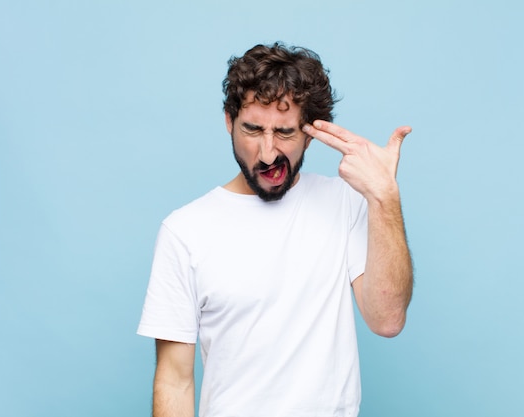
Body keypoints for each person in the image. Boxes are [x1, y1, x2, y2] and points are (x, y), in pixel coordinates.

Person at [137, 42, 413, 417]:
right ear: (229, 121)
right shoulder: (184, 231)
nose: (267, 153)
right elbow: (174, 379)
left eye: (284, 132)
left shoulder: (345, 203)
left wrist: (385, 197)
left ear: (312, 133)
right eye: (252, 129)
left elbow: (387, 319)